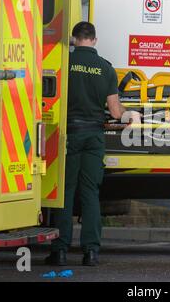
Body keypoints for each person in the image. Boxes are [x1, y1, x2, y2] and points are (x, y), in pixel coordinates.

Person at [45, 22, 140, 266]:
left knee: (64, 193)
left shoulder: (63, 63)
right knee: (89, 193)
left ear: (74, 39)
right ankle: (91, 252)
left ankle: (60, 250)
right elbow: (116, 111)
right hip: (94, 136)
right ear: (94, 40)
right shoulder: (106, 68)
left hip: (68, 135)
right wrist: (131, 114)